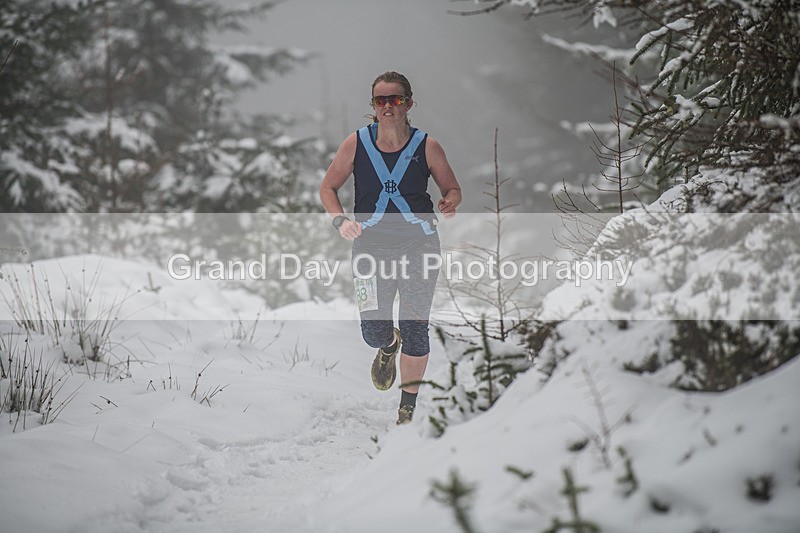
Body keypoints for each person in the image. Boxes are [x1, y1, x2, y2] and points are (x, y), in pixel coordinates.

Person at [319, 71, 462, 425]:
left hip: (419, 244)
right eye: (380, 100)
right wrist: (340, 221)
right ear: (373, 106)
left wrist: (449, 202)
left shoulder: (427, 146)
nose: (387, 106)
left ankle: (406, 410)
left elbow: (453, 188)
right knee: (373, 331)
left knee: (416, 327)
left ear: (408, 104)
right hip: (369, 247)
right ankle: (386, 345)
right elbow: (327, 188)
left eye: (395, 99)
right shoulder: (355, 144)